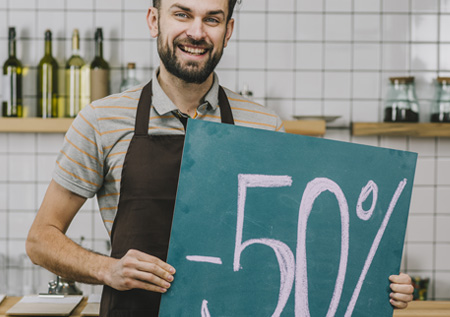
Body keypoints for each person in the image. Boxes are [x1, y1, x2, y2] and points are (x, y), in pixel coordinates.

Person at [26, 0, 414, 315]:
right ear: (153, 20)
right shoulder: (101, 120)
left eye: (212, 18)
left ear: (227, 31)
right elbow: (41, 239)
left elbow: (296, 251)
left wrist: (375, 281)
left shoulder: (263, 125)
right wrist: (106, 268)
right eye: (181, 14)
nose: (196, 32)